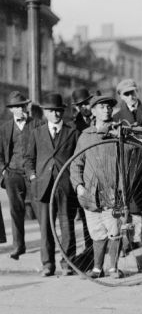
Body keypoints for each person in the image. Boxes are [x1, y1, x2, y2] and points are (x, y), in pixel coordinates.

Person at [70, 95, 127, 278]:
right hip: (91, 194)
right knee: (96, 231)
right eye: (102, 107)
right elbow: (75, 164)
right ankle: (97, 267)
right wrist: (79, 185)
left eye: (109, 107)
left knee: (115, 229)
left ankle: (113, 267)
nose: (106, 110)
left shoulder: (119, 131)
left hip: (115, 192)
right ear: (93, 111)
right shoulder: (86, 136)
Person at [25, 93, 80, 277]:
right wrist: (33, 177)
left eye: (58, 111)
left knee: (67, 226)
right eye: (51, 111)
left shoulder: (72, 133)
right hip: (43, 187)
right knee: (46, 228)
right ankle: (48, 265)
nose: (55, 115)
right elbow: (29, 159)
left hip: (65, 187)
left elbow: (77, 159)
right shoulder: (36, 133)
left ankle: (68, 263)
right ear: (45, 113)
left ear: (62, 112)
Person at [0, 91, 42, 260]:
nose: (20, 109)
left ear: (27, 107)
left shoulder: (37, 124)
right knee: (16, 211)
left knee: (40, 209)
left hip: (32, 174)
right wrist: (3, 171)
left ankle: (47, 245)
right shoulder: (4, 128)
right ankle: (18, 246)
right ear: (11, 110)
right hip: (13, 174)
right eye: (16, 107)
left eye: (22, 106)